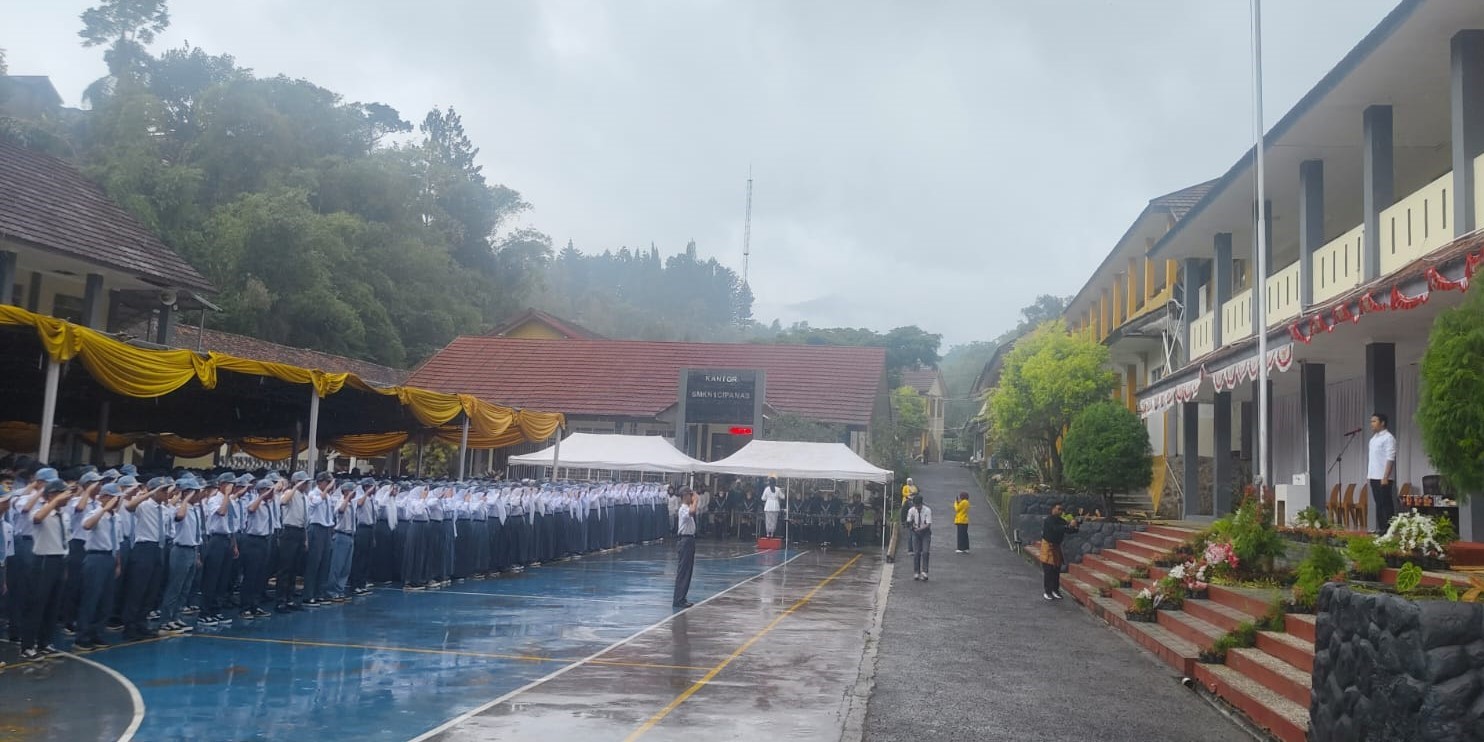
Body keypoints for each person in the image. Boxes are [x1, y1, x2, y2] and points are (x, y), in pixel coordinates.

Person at [1041, 502, 1079, 600]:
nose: (1060, 511)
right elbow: (1056, 529)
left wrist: (1074, 525)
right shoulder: (1048, 520)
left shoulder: (1062, 520)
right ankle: (1047, 591)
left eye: (1061, 509)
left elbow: (1069, 530)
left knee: (1056, 570)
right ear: (1053, 509)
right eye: (1058, 509)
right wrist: (1068, 526)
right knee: (1048, 570)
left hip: (1056, 547)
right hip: (1048, 546)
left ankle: (1055, 590)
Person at [1367, 412, 1397, 535]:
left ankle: (1389, 530)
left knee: (1386, 504)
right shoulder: (1373, 439)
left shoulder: (1388, 438)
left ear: (1382, 423)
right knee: (1378, 504)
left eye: (1374, 421)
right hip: (1373, 476)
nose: (1371, 424)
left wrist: (1385, 476)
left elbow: (1390, 458)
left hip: (1384, 477)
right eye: (1371, 421)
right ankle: (1381, 529)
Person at [672, 488, 697, 609]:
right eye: (690, 495)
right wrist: (695, 501)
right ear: (685, 496)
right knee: (683, 571)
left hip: (690, 540)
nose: (691, 497)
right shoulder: (683, 509)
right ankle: (678, 599)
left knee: (688, 570)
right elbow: (692, 512)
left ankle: (682, 597)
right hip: (685, 540)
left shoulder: (686, 508)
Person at [907, 494, 931, 581]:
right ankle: (916, 572)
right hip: (915, 532)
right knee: (916, 552)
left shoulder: (927, 510)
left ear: (922, 503)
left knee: (925, 551)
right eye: (915, 505)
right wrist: (913, 527)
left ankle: (925, 572)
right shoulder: (911, 511)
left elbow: (928, 524)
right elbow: (909, 521)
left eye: (919, 505)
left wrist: (920, 529)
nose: (917, 507)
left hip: (925, 532)